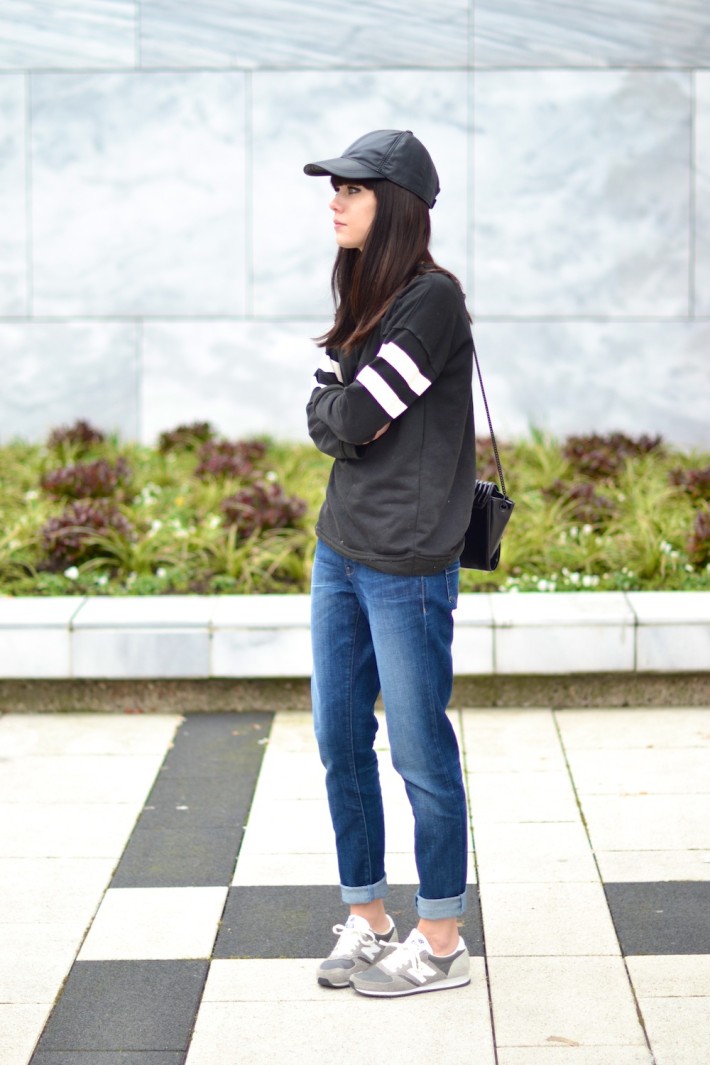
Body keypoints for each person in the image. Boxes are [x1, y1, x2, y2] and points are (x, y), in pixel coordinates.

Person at [304, 129, 475, 998]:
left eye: (354, 188)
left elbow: (355, 417)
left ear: (396, 204)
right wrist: (336, 408)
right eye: (334, 187)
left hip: (407, 561)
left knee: (419, 750)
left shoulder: (431, 301)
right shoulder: (366, 296)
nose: (335, 200)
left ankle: (440, 941)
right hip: (340, 548)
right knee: (340, 739)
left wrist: (331, 406)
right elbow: (344, 414)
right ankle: (369, 916)